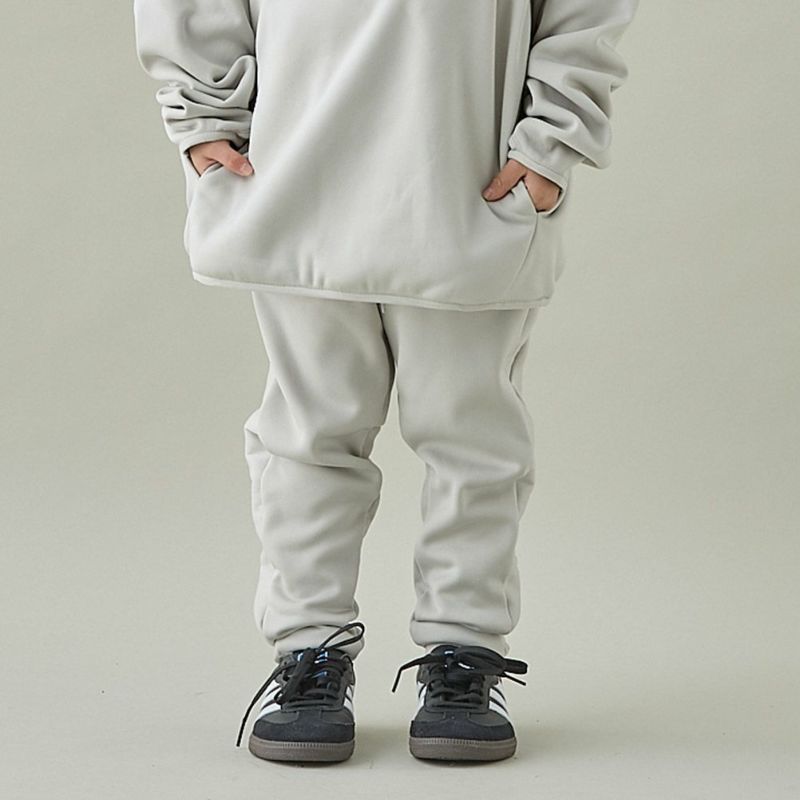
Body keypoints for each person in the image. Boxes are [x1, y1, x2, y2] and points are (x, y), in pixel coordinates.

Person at [133, 0, 638, 764]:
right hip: (298, 164)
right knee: (309, 432)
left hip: (465, 171)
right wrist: (201, 118)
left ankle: (464, 653)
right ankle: (308, 653)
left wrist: (551, 142)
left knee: (472, 435)